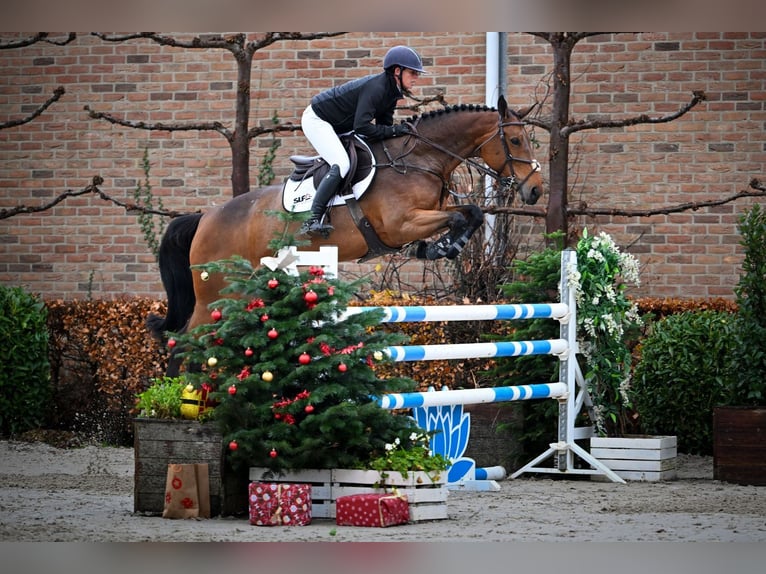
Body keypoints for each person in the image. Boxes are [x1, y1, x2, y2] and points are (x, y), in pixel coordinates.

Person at [298, 45, 426, 237]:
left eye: (417, 73)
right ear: (397, 71)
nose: (416, 77)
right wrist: (395, 130)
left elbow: (384, 127)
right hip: (318, 120)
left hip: (341, 125)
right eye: (413, 72)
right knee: (342, 163)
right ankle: (312, 219)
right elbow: (363, 127)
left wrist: (399, 133)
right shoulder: (377, 88)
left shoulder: (391, 92)